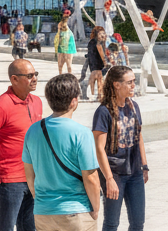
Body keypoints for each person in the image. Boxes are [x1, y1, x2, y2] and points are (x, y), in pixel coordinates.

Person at [22, 74, 101, 229]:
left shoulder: (33, 130)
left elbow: (30, 176)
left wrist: (42, 202)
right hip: (75, 211)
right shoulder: (81, 133)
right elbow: (91, 178)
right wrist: (96, 210)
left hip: (43, 212)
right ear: (74, 101)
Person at [0, 60, 44, 231]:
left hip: (34, 178)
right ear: (14, 79)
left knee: (30, 227)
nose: (34, 78)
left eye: (35, 74)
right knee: (5, 227)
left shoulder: (37, 102)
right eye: (29, 76)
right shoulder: (0, 107)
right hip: (10, 182)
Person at [93, 66, 148, 231]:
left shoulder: (134, 106)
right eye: (129, 82)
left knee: (138, 223)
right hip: (114, 173)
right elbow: (99, 148)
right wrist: (109, 179)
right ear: (116, 85)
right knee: (111, 223)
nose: (133, 85)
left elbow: (139, 137)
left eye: (134, 82)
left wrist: (144, 165)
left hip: (135, 172)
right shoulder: (103, 112)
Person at [87, 26, 108, 100]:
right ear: (96, 34)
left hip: (92, 65)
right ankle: (99, 95)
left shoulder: (91, 42)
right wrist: (105, 62)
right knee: (99, 80)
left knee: (92, 80)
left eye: (103, 33)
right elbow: (101, 52)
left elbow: (90, 53)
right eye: (100, 33)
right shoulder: (98, 42)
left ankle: (91, 95)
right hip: (98, 64)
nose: (102, 35)